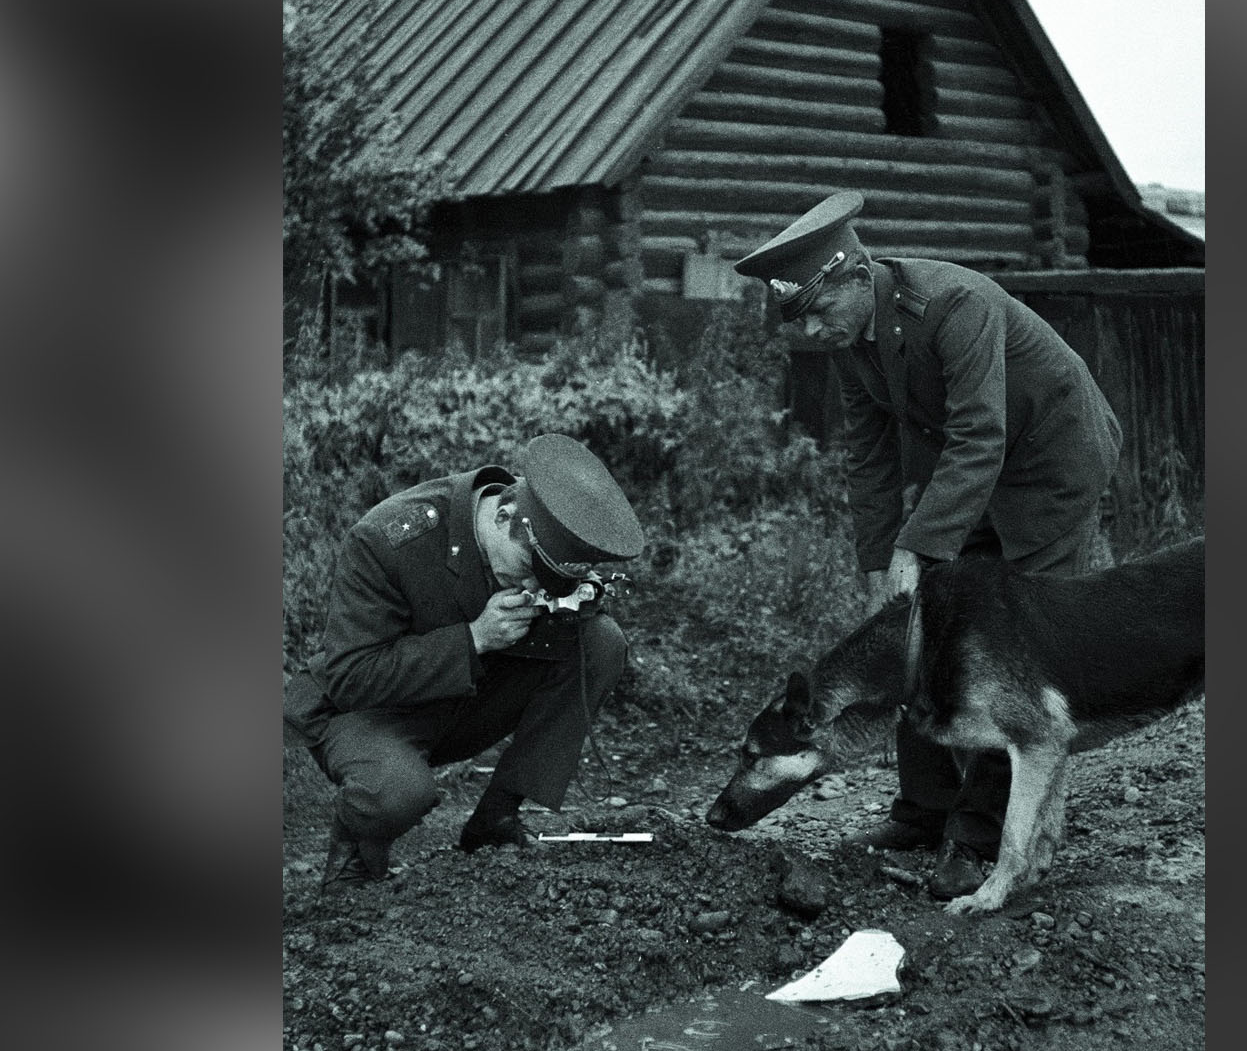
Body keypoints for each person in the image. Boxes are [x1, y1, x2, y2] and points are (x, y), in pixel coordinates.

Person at [732, 191, 1122, 900]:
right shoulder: (853, 342)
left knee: (1014, 653)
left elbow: (980, 433)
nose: (813, 331)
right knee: (916, 629)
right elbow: (870, 456)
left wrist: (920, 545)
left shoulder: (953, 303)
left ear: (856, 274)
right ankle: (923, 811)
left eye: (819, 311)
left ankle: (979, 843)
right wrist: (882, 559)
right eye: (801, 320)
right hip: (976, 474)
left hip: (1052, 464)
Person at [284, 433, 644, 891]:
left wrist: (579, 598)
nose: (532, 585)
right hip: (368, 711)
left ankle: (495, 820)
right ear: (504, 515)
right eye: (529, 570)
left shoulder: (541, 524)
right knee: (398, 792)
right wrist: (474, 638)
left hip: (464, 699)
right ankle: (354, 860)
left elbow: (575, 615)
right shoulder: (388, 540)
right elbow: (350, 676)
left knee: (600, 643)